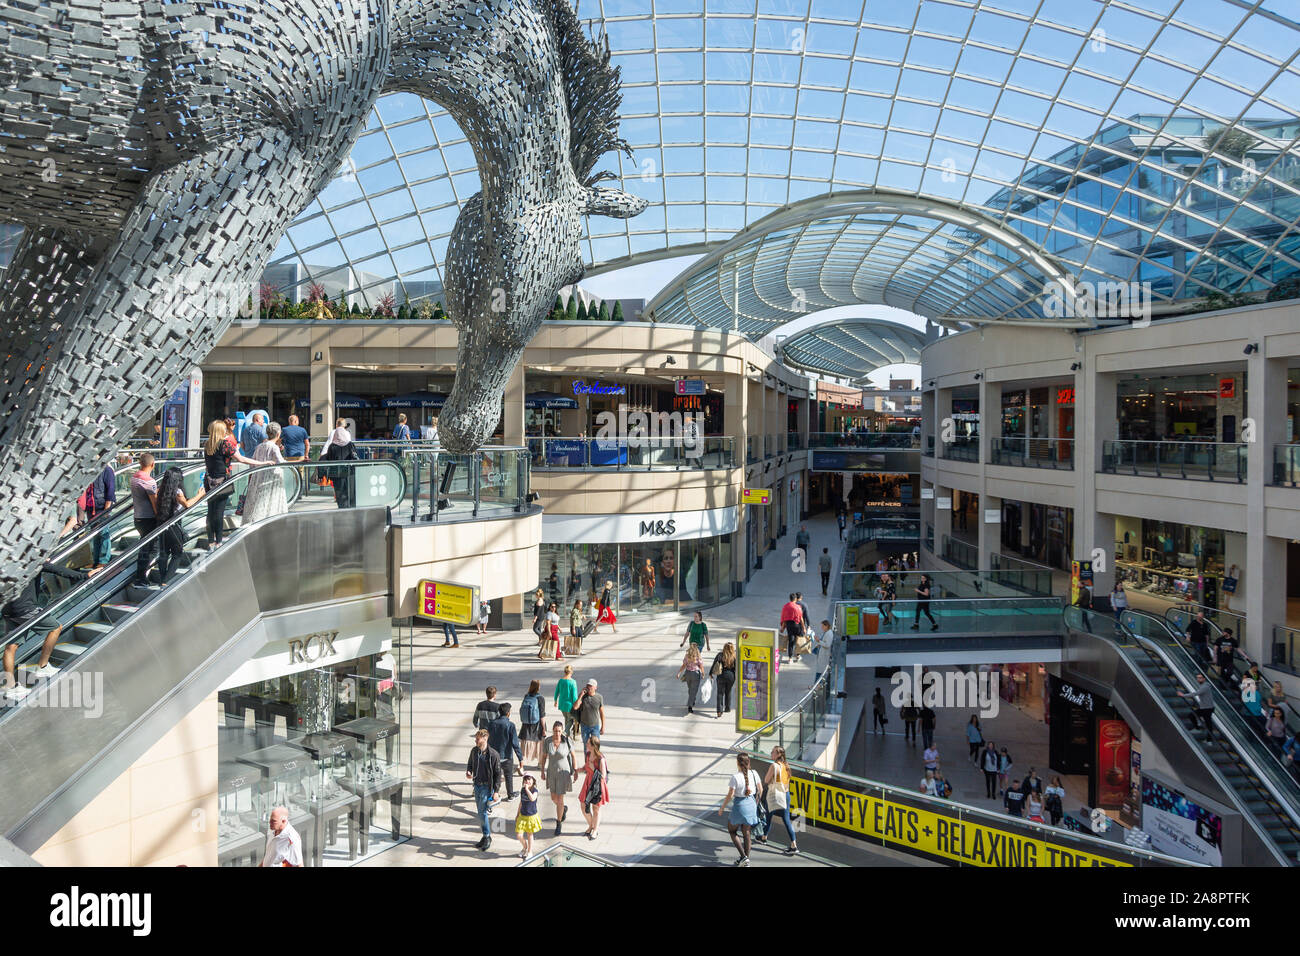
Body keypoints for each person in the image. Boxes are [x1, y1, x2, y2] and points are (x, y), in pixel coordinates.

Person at [2, 560, 98, 699]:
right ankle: (42, 666)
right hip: (25, 609)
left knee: (10, 647)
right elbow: (57, 569)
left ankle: (10, 687)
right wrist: (84, 576)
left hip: (8, 610)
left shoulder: (8, 562)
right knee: (55, 627)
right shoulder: (33, 560)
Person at [203, 420, 258, 549]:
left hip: (209, 480)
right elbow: (242, 459)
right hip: (223, 481)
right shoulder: (225, 444)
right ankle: (219, 541)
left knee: (211, 511)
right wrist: (262, 462)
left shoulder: (207, 444)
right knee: (219, 512)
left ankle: (211, 540)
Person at [151, 466, 205, 584]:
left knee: (164, 553)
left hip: (162, 524)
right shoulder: (177, 492)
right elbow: (187, 505)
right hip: (174, 525)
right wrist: (199, 495)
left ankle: (162, 578)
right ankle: (166, 580)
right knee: (177, 554)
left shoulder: (160, 490)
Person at [718, 752, 761, 866]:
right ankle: (746, 861)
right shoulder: (754, 773)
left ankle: (744, 857)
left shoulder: (735, 777)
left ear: (737, 763)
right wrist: (755, 803)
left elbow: (731, 794)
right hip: (751, 803)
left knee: (732, 830)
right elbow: (760, 790)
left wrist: (722, 807)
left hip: (739, 806)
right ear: (749, 762)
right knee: (746, 833)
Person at [242, 421, 288, 525]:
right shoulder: (274, 447)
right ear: (278, 434)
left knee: (259, 500)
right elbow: (281, 463)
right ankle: (271, 521)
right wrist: (296, 462)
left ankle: (255, 521)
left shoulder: (260, 446)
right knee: (271, 499)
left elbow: (253, 461)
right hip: (271, 478)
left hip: (258, 477)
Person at [466, 728, 504, 851]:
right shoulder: (474, 751)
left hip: (486, 787)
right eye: (476, 739)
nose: (476, 741)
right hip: (476, 785)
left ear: (485, 738)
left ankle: (487, 836)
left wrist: (496, 791)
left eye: (478, 739)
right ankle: (484, 835)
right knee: (480, 812)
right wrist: (469, 771)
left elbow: (498, 774)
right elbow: (470, 764)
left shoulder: (493, 755)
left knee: (482, 812)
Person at [756, 746, 798, 856]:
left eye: (773, 752)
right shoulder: (786, 766)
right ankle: (793, 845)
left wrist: (771, 782)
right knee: (786, 819)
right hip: (785, 794)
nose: (771, 753)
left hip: (774, 795)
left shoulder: (774, 765)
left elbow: (765, 780)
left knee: (769, 815)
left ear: (778, 754)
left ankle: (764, 838)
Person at [540, 720, 578, 836]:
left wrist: (575, 771)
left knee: (560, 799)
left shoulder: (567, 741)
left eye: (559, 731)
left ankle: (559, 822)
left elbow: (573, 756)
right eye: (555, 731)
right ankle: (563, 809)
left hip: (563, 773)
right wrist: (542, 771)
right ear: (553, 730)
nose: (557, 733)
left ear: (562, 731)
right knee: (553, 798)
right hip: (551, 772)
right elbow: (544, 757)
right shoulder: (548, 742)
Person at [488, 702, 523, 800]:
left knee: (495, 776)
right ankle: (510, 795)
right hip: (507, 756)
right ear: (508, 713)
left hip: (493, 756)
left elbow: (488, 739)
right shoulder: (510, 725)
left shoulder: (491, 723)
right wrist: (520, 758)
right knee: (508, 776)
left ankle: (494, 794)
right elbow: (515, 743)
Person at [578, 735, 610, 840]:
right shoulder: (588, 754)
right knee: (583, 806)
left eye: (588, 743)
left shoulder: (601, 758)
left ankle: (595, 830)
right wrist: (580, 769)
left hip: (597, 785)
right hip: (588, 782)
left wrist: (594, 769)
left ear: (593, 746)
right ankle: (591, 825)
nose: (586, 744)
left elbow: (603, 776)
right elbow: (586, 766)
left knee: (595, 808)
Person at [88, 456, 117, 569]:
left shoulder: (107, 470)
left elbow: (110, 490)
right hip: (91, 505)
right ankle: (96, 559)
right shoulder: (91, 469)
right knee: (95, 534)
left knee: (103, 532)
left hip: (101, 505)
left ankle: (104, 559)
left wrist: (107, 508)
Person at [1177, 672, 1215, 739]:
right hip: (1205, 707)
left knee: (1205, 722)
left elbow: (1196, 693)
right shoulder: (1204, 686)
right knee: (1197, 717)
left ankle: (1208, 738)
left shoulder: (1205, 687)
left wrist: (1183, 695)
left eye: (1200, 678)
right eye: (1197, 678)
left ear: (1204, 679)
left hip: (1207, 708)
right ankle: (1199, 728)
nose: (1198, 679)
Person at [519, 680, 547, 768]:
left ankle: (521, 763)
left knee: (525, 743)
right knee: (540, 743)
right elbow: (542, 715)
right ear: (538, 687)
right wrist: (544, 728)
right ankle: (540, 763)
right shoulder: (540, 698)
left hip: (526, 724)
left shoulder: (526, 696)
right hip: (537, 724)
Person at [515, 774, 541, 859]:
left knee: (530, 835)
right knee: (519, 835)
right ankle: (525, 847)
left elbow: (532, 798)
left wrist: (527, 789)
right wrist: (517, 814)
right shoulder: (522, 790)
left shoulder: (535, 791)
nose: (527, 781)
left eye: (529, 779)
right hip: (522, 815)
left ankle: (530, 852)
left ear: (533, 781)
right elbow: (521, 803)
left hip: (531, 816)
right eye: (526, 780)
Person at [575, 678, 605, 744]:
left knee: (596, 746)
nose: (589, 687)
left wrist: (603, 726)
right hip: (584, 725)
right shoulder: (582, 696)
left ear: (595, 687)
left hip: (595, 726)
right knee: (586, 747)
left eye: (591, 686)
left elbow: (601, 713)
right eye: (588, 685)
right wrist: (581, 695)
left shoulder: (599, 697)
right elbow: (575, 707)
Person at [712, 642, 737, 717]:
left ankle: (719, 711)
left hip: (721, 675)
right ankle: (727, 708)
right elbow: (736, 667)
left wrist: (710, 673)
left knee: (720, 693)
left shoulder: (720, 655)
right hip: (731, 676)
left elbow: (714, 664)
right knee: (728, 691)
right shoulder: (734, 656)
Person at [554, 665, 579, 741]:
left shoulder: (561, 681)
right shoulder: (573, 682)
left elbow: (556, 691)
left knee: (566, 719)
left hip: (562, 704)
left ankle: (567, 736)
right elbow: (574, 696)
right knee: (571, 719)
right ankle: (565, 733)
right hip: (570, 705)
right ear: (571, 672)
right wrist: (577, 704)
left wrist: (555, 700)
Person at [677, 643, 703, 715]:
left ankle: (692, 700)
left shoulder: (687, 656)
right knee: (694, 690)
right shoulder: (698, 656)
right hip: (696, 674)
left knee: (690, 689)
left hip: (688, 674)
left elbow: (684, 665)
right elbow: (701, 666)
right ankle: (690, 706)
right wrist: (703, 673)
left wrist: (679, 673)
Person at [779, 593, 804, 663]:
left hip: (789, 625)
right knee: (797, 640)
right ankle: (798, 655)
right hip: (797, 625)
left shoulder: (785, 606)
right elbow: (801, 618)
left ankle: (790, 658)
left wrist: (782, 628)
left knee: (791, 641)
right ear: (795, 599)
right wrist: (804, 627)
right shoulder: (798, 607)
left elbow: (784, 618)